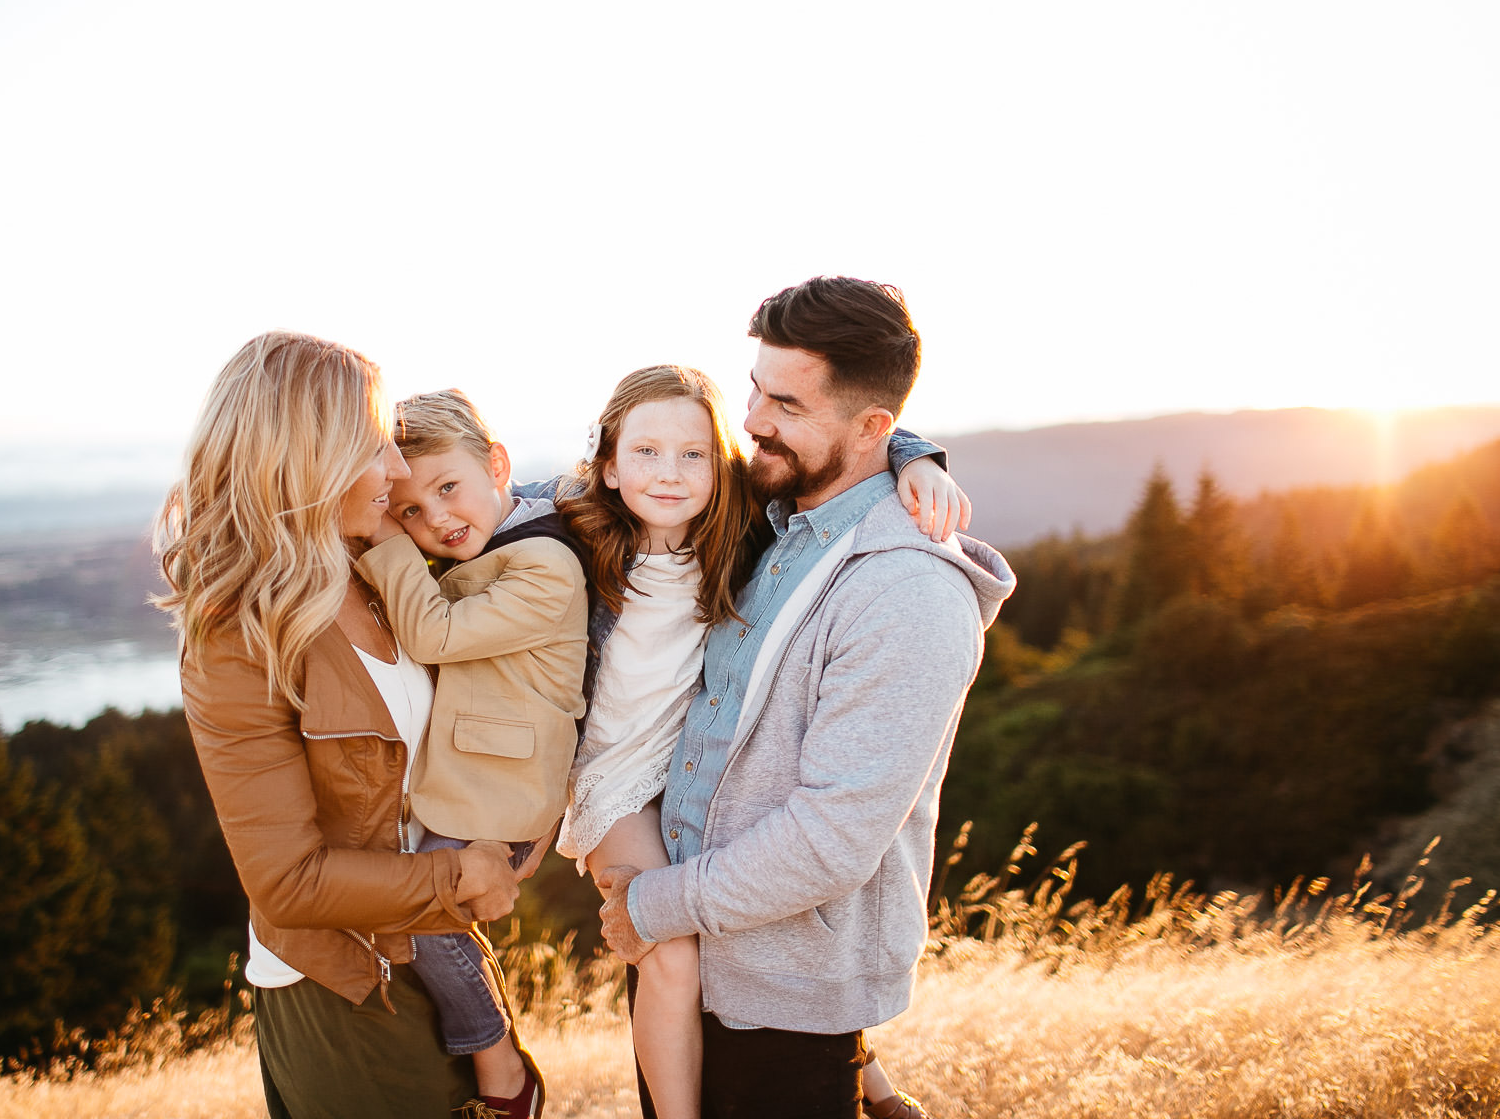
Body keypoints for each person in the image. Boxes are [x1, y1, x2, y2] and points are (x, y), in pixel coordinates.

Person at [596, 276, 1016, 1119]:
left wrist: (652, 904)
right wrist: (913, 453)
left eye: (784, 402)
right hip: (698, 965)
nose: (751, 420)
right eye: (755, 388)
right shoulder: (775, 516)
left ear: (870, 428)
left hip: (783, 1003)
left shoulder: (907, 595)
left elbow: (832, 838)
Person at [533, 365, 961, 1119]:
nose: (670, 473)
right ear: (607, 463)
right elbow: (472, 501)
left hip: (692, 769)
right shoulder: (570, 536)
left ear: (718, 460)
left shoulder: (733, 525)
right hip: (613, 779)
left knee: (766, 941)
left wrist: (913, 455)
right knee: (668, 952)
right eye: (645, 453)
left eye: (693, 454)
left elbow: (840, 446)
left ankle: (871, 1079)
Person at [154, 332, 531, 1119]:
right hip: (343, 986)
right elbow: (287, 882)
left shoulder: (376, 569)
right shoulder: (238, 636)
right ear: (304, 462)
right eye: (374, 449)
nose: (397, 473)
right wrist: (461, 878)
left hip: (438, 948)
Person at [355, 388, 591, 1119]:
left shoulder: (545, 563)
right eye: (411, 512)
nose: (437, 521)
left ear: (497, 464)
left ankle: (500, 1068)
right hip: (474, 786)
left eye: (448, 488)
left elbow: (435, 637)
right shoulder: (494, 548)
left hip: (505, 793)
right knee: (431, 920)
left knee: (423, 920)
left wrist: (386, 544)